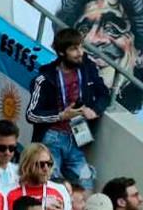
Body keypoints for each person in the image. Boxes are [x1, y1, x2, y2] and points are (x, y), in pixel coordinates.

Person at [25, 28, 109, 189]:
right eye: (74, 49)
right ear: (62, 53)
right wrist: (61, 116)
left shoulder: (87, 67)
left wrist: (95, 109)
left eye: (81, 47)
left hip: (77, 135)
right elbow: (31, 115)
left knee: (86, 180)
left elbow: (104, 94)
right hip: (51, 137)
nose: (80, 53)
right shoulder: (44, 79)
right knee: (50, 183)